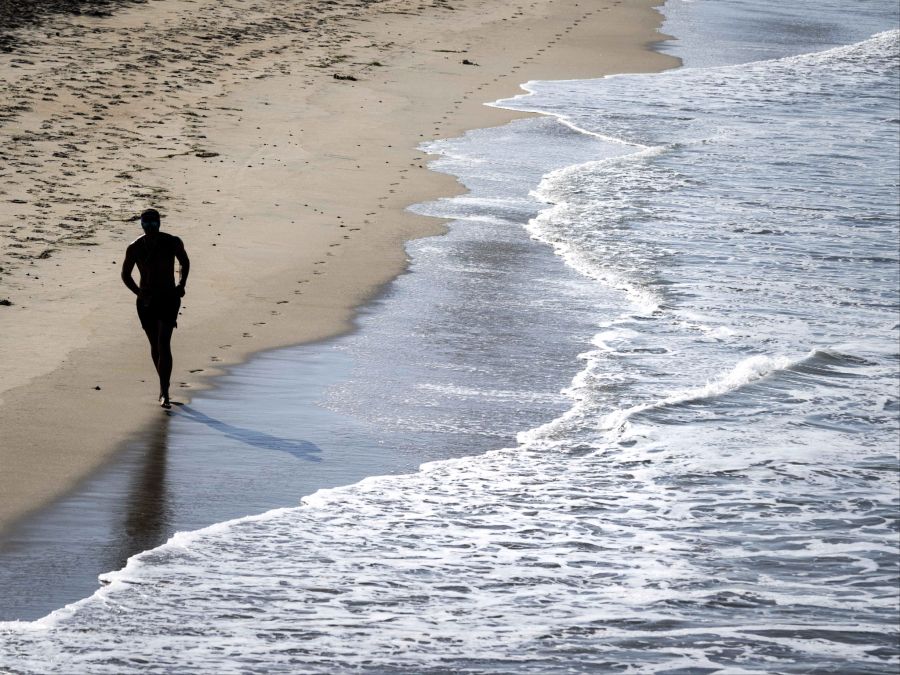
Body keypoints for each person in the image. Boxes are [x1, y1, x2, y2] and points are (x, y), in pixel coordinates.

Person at [121, 208, 190, 409]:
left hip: (169, 297)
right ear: (141, 224)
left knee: (163, 342)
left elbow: (184, 262)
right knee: (154, 345)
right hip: (146, 301)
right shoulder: (134, 247)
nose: (151, 227)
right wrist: (138, 292)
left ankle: (164, 392)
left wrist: (181, 284)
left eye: (154, 223)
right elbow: (125, 274)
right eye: (147, 224)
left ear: (159, 223)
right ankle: (163, 383)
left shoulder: (172, 242)